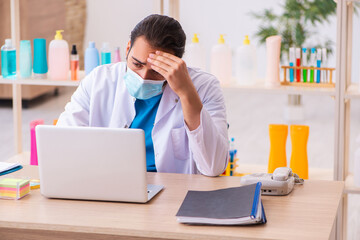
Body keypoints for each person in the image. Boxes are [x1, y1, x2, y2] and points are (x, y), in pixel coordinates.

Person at [57, 14, 229, 176]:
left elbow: (213, 167)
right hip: (109, 181)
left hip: (175, 192)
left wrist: (186, 93)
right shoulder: (99, 80)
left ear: (178, 64)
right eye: (137, 64)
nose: (143, 77)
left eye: (157, 71)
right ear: (127, 49)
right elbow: (62, 142)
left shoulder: (204, 87)